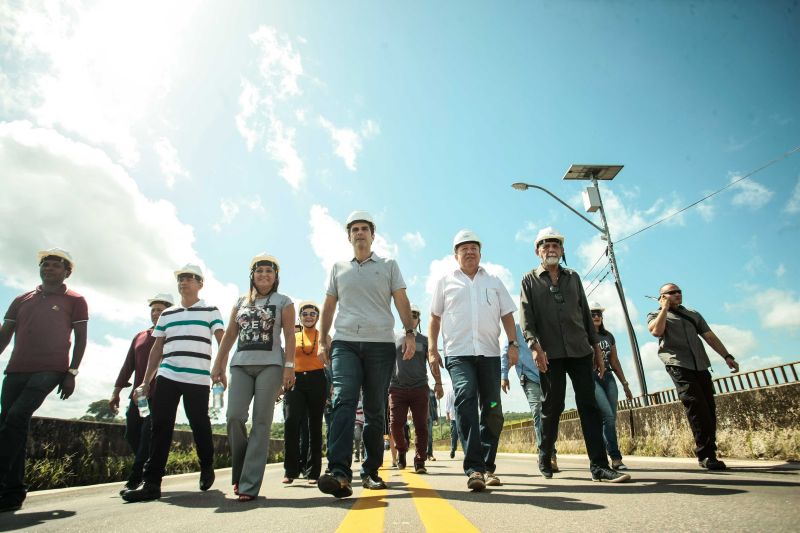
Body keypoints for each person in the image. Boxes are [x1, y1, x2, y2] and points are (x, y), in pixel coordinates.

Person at [317, 210, 416, 499]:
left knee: (374, 409)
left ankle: (371, 472)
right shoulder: (338, 268)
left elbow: (401, 300)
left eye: (364, 228)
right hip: (345, 343)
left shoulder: (388, 265)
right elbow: (329, 305)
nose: (359, 232)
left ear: (373, 235)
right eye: (354, 229)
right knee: (343, 400)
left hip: (380, 344)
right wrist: (323, 341)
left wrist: (409, 333)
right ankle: (339, 472)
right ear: (349, 236)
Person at [519, 227, 630, 483]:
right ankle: (545, 453)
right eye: (545, 246)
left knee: (589, 405)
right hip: (550, 354)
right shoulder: (529, 280)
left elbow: (585, 317)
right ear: (537, 251)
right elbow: (527, 318)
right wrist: (535, 347)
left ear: (562, 250)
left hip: (580, 350)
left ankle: (599, 466)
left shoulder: (573, 277)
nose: (551, 249)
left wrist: (596, 350)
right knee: (553, 406)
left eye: (555, 245)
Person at [122, 264, 224, 502]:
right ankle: (151, 483)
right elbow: (157, 349)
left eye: (190, 278)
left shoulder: (211, 310)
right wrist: (146, 382)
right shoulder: (168, 314)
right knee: (159, 426)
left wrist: (219, 369)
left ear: (200, 283)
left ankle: (207, 465)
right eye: (181, 278)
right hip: (168, 375)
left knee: (199, 423)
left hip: (198, 377)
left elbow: (223, 342)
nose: (184, 281)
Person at [0, 249, 88, 513]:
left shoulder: (75, 300)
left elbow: (81, 339)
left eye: (54, 265)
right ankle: (13, 492)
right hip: (16, 369)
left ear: (66, 272)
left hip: (51, 369)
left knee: (17, 416)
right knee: (11, 423)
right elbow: (5, 332)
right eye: (45, 265)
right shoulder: (21, 299)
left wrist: (72, 372)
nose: (48, 268)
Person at [429, 230, 517, 491]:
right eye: (463, 248)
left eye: (473, 248)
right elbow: (435, 318)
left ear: (480, 253)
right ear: (455, 254)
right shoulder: (445, 282)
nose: (469, 252)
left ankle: (487, 466)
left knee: (493, 408)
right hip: (458, 354)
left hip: (490, 355)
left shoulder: (494, 281)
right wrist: (432, 350)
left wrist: (513, 344)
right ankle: (474, 468)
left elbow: (507, 315)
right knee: (466, 396)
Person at [210, 254, 295, 501]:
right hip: (240, 365)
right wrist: (218, 364)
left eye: (269, 271)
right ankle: (240, 473)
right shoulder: (240, 302)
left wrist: (289, 367)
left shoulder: (284, 301)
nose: (264, 275)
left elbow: (290, 335)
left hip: (271, 366)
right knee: (234, 417)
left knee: (261, 423)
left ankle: (249, 484)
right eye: (259, 271)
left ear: (276, 276)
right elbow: (229, 335)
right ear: (252, 275)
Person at [647, 283, 739, 470]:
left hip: (700, 364)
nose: (677, 294)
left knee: (709, 408)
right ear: (662, 296)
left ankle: (710, 451)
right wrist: (664, 308)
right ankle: (705, 455)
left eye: (679, 291)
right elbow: (657, 331)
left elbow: (709, 336)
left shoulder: (693, 314)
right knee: (695, 405)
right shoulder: (655, 315)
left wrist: (727, 356)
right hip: (678, 364)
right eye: (672, 292)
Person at [109, 293, 174, 495]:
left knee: (147, 435)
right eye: (153, 310)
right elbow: (128, 365)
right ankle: (152, 463)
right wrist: (116, 391)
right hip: (139, 396)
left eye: (160, 310)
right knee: (132, 433)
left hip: (160, 395)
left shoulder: (172, 336)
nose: (155, 313)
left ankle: (135, 478)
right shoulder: (140, 336)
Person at [389, 303, 442, 474]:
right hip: (397, 388)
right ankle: (402, 449)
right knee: (395, 424)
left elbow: (433, 363)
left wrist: (438, 383)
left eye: (415, 315)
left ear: (419, 320)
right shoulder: (393, 337)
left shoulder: (425, 340)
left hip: (419, 388)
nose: (411, 318)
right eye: (408, 315)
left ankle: (420, 461)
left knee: (421, 426)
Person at [501, 322, 559, 473]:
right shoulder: (516, 328)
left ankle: (549, 450)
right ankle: (547, 455)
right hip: (528, 377)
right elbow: (506, 351)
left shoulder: (546, 323)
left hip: (548, 374)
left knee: (551, 414)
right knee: (538, 412)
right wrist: (504, 375)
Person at [283, 301, 327, 484]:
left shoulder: (324, 336)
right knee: (291, 422)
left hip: (318, 380)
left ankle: (313, 472)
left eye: (312, 314)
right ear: (300, 317)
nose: (309, 317)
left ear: (317, 317)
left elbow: (331, 361)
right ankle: (290, 470)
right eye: (305, 314)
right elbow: (285, 359)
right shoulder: (293, 336)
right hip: (296, 380)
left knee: (314, 426)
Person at [588, 301, 633, 470]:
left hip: (608, 377)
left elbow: (614, 360)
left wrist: (625, 384)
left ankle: (604, 453)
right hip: (592, 378)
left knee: (611, 418)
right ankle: (615, 458)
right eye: (593, 314)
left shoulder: (608, 336)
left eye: (599, 313)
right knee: (607, 415)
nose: (597, 316)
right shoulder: (583, 335)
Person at [443, 386, 459, 459]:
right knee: (454, 435)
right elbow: (448, 404)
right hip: (453, 418)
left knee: (465, 435)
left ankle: (468, 452)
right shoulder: (450, 392)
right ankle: (453, 449)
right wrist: (447, 414)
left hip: (463, 417)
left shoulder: (464, 389)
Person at [426, 385, 440, 462]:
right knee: (420, 435)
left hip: (430, 416)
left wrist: (436, 417)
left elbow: (435, 405)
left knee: (430, 436)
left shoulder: (431, 392)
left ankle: (430, 454)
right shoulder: (417, 388)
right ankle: (421, 454)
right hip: (419, 416)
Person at [353, 395, 365, 462]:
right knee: (357, 437)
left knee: (364, 439)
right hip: (357, 420)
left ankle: (363, 455)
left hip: (364, 420)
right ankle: (356, 455)